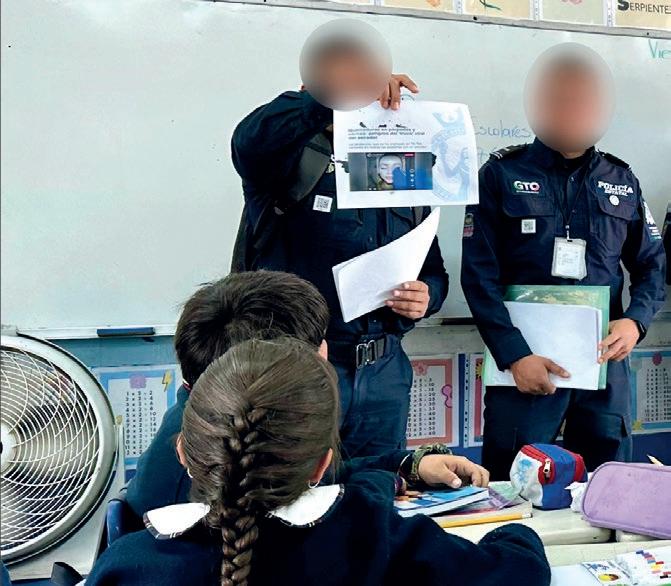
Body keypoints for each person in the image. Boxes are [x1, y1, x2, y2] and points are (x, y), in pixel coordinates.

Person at [88, 338, 550, 586]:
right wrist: (516, 535)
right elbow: (518, 574)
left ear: (184, 453)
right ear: (322, 465)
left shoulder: (129, 565)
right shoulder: (374, 537)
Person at [126, 271, 488, 521]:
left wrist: (406, 466)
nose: (326, 355)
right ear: (268, 371)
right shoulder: (198, 492)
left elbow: (322, 476)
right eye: (318, 350)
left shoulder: (220, 422)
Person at [232, 42, 449, 457]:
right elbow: (248, 141)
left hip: (384, 373)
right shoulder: (287, 158)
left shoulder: (399, 168)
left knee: (380, 484)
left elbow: (432, 268)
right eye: (344, 85)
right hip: (297, 366)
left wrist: (427, 296)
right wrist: (327, 99)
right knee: (294, 486)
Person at [461, 43, 666, 480]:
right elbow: (478, 275)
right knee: (513, 485)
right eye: (561, 100)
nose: (574, 110)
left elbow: (652, 265)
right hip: (526, 370)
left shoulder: (621, 179)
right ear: (539, 104)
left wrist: (635, 322)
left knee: (608, 484)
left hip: (602, 368)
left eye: (585, 101)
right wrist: (514, 355)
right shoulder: (500, 174)